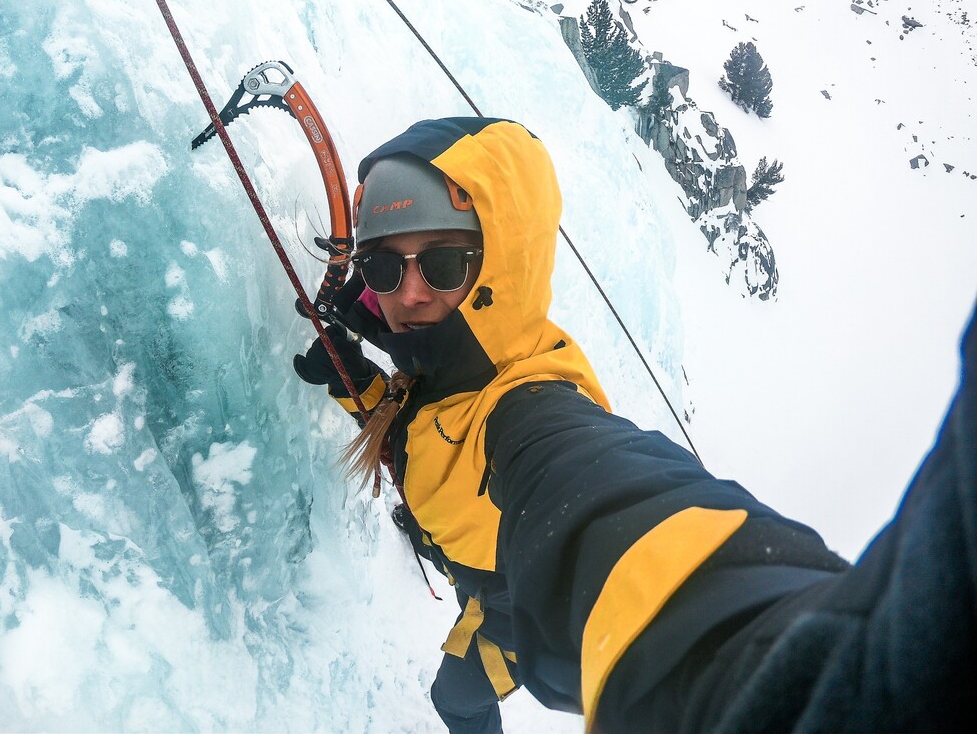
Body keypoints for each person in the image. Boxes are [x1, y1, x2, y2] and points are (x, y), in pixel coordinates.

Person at [293, 117, 976, 733]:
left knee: (459, 699)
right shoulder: (445, 366)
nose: (409, 293)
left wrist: (756, 663)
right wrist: (360, 383)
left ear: (501, 266)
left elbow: (612, 507)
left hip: (503, 610)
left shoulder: (530, 407)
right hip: (474, 574)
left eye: (444, 263)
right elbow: (424, 420)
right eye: (385, 264)